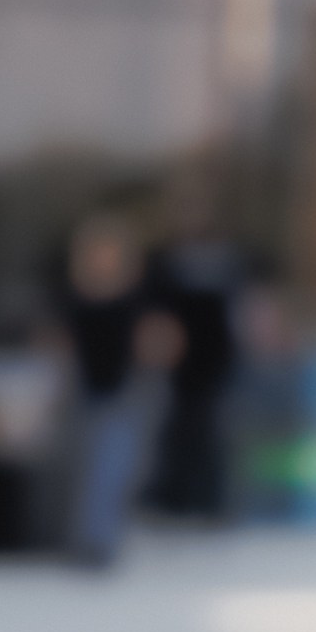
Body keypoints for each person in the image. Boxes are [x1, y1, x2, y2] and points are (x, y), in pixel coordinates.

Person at [56, 212, 154, 568]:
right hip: (84, 389)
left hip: (121, 390)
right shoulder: (74, 295)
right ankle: (82, 537)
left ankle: (102, 538)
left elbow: (150, 341)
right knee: (82, 467)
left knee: (112, 466)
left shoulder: (136, 295)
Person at [143, 181, 245, 522]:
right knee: (175, 429)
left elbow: (240, 308)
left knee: (210, 429)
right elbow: (153, 308)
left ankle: (208, 500)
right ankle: (175, 498)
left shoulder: (226, 257)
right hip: (176, 358)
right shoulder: (163, 259)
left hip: (215, 358)